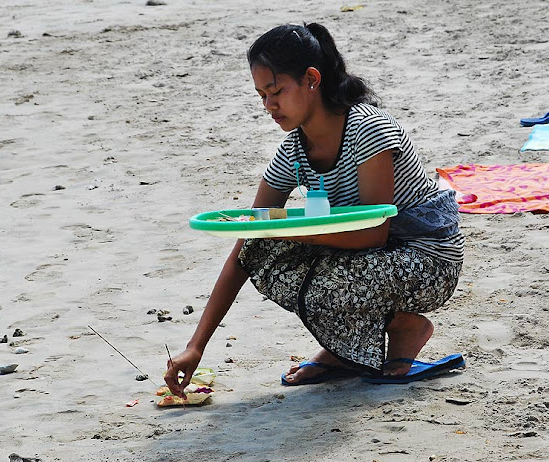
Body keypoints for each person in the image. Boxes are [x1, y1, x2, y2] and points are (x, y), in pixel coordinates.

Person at [164, 23, 464, 396]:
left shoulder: (367, 129)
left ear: (311, 79)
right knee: (261, 253)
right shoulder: (293, 150)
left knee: (322, 275)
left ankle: (406, 330)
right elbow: (246, 244)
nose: (269, 106)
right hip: (369, 256)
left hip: (426, 259)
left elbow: (374, 232)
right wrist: (196, 346)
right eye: (261, 95)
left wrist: (285, 228)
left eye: (276, 91)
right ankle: (345, 351)